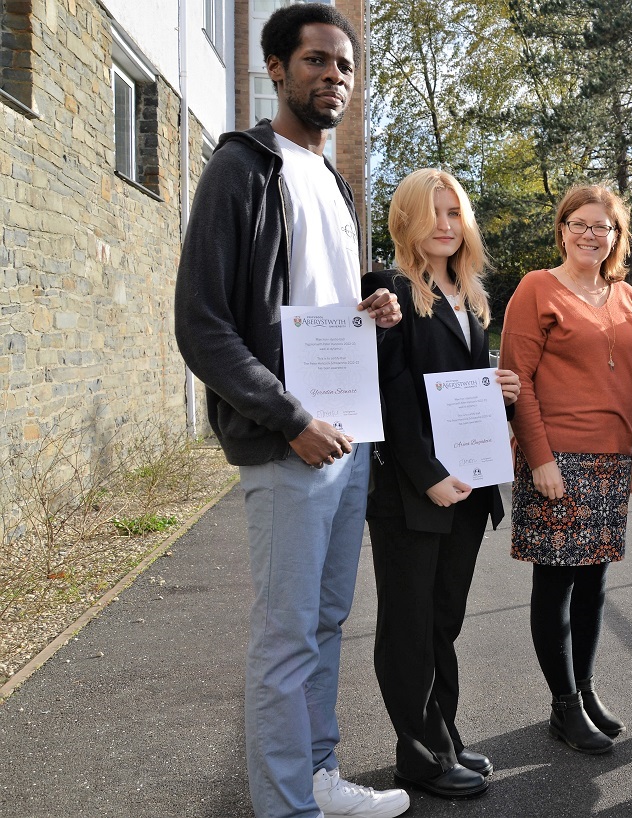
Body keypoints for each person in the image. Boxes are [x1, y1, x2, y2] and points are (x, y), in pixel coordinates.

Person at [173, 5, 410, 817]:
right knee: (285, 636)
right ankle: (286, 808)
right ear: (275, 69)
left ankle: (317, 777)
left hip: (351, 437)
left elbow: (327, 297)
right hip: (289, 442)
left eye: (344, 66)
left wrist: (377, 294)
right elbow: (201, 322)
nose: (332, 77)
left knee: (327, 621)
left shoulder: (336, 185)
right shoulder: (240, 168)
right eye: (315, 61)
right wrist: (288, 418)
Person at [361, 169, 521, 799]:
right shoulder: (392, 289)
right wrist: (427, 476)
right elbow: (393, 393)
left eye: (456, 214)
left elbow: (456, 395)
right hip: (413, 491)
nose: (447, 225)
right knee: (409, 623)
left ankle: (443, 737)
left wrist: (499, 395)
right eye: (434, 213)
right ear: (406, 220)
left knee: (443, 622)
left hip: (468, 488)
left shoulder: (468, 293)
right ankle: (418, 756)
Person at [499, 184, 632, 755]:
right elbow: (519, 382)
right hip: (558, 458)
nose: (590, 235)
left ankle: (584, 691)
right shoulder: (537, 288)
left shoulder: (627, 296)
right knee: (557, 581)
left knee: (594, 581)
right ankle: (562, 705)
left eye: (602, 227)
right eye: (579, 224)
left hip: (611, 459)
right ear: (562, 230)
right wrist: (539, 459)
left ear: (616, 237)